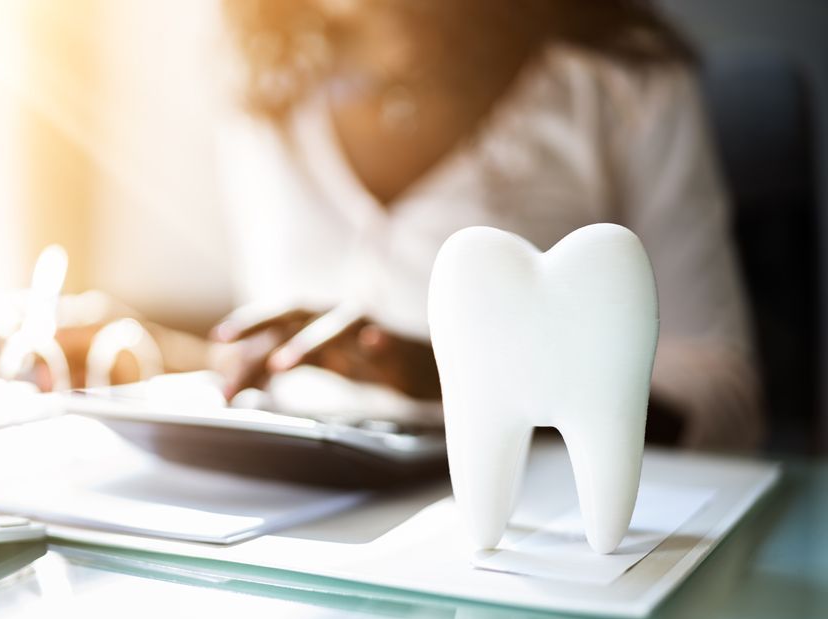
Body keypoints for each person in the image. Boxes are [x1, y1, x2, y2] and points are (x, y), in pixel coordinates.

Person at [205, 0, 765, 451]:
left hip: (542, 523)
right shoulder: (261, 87)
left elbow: (722, 401)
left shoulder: (620, 83)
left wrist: (472, 377)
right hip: (296, 505)